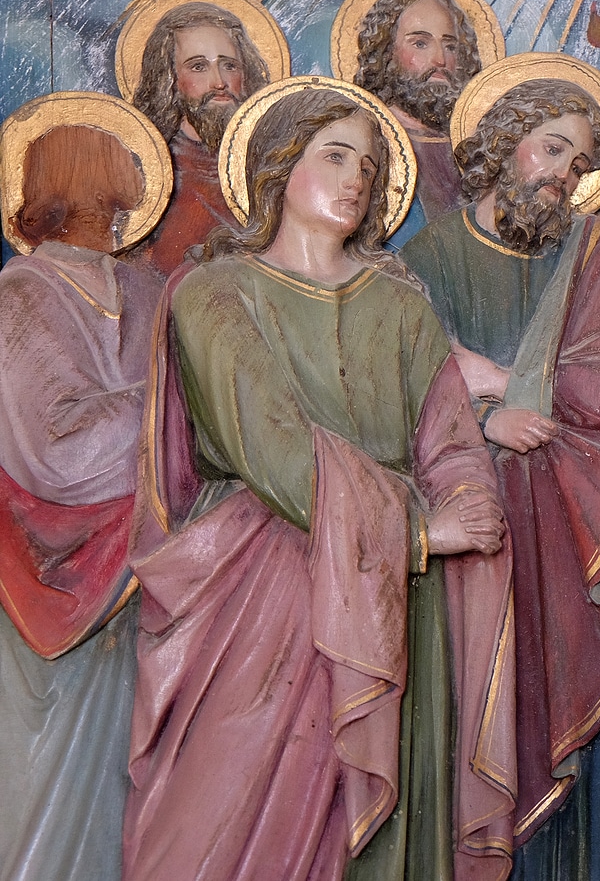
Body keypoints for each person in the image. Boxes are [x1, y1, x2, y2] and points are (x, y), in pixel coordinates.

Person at [122, 84, 515, 881]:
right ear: (277, 166)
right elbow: (272, 447)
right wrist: (420, 529)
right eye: (334, 157)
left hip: (396, 598)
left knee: (373, 832)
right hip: (268, 583)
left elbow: (447, 434)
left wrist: (468, 496)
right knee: (219, 824)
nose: (355, 180)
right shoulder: (214, 292)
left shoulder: (399, 305)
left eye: (368, 167)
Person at [401, 70, 600, 879]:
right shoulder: (431, 257)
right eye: (553, 149)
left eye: (580, 163)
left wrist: (508, 383)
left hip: (588, 531)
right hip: (483, 529)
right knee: (491, 710)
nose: (564, 174)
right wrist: (483, 415)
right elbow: (402, 385)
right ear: (506, 144)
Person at [0, 116, 164, 880]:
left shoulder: (147, 286)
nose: (133, 188)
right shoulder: (22, 292)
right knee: (53, 787)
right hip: (54, 571)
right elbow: (57, 448)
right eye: (117, 169)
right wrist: (170, 403)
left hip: (148, 572)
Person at [128, 0, 272, 272]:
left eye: (229, 66)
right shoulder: (149, 166)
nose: (219, 82)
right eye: (198, 67)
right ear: (170, 78)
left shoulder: (269, 162)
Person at [352, 0, 484, 222]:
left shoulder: (473, 145)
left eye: (450, 46)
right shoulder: (369, 136)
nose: (440, 60)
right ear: (386, 51)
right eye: (421, 43)